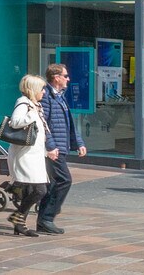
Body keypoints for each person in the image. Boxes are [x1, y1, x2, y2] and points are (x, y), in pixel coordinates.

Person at [34, 61, 86, 236]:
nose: (68, 79)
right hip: (54, 149)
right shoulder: (47, 96)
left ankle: (44, 221)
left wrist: (79, 142)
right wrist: (51, 146)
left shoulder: (60, 95)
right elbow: (44, 124)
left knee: (54, 184)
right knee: (64, 180)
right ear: (56, 78)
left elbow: (69, 122)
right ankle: (47, 218)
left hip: (60, 147)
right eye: (65, 76)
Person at [6, 74, 50, 237]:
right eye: (41, 89)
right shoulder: (23, 103)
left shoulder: (34, 105)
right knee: (40, 190)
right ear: (33, 90)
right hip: (24, 156)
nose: (44, 92)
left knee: (36, 189)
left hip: (34, 156)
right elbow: (15, 122)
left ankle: (19, 223)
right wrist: (32, 114)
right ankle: (18, 218)